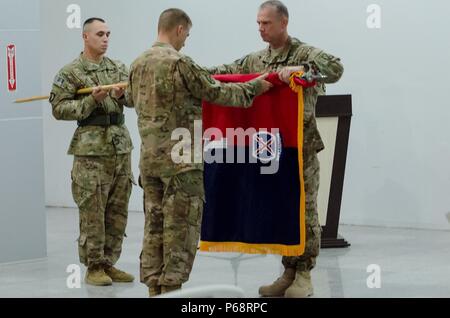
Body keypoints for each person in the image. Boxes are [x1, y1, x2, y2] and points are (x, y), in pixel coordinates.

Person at [126, 8, 272, 297]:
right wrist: (255, 87)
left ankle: (154, 289)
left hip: (150, 163)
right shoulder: (180, 63)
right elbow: (218, 93)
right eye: (187, 35)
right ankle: (172, 290)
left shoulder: (137, 63)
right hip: (181, 162)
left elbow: (130, 99)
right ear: (179, 30)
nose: (186, 42)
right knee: (180, 228)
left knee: (154, 226)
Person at [208, 0, 344, 298]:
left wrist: (300, 70)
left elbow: (335, 68)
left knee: (303, 209)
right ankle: (288, 272)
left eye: (266, 23)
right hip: (269, 149)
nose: (260, 28)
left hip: (300, 148)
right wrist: (189, 73)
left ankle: (304, 273)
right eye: (258, 23)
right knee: (282, 208)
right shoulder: (257, 60)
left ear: (283, 23)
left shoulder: (304, 53)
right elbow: (222, 71)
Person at [50, 17, 135, 286]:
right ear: (85, 37)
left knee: (117, 209)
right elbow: (59, 109)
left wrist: (122, 97)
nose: (106, 38)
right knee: (93, 210)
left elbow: (134, 99)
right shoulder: (71, 72)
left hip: (120, 146)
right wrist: (90, 101)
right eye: (100, 34)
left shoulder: (118, 68)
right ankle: (94, 266)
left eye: (108, 33)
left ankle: (109, 263)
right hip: (90, 150)